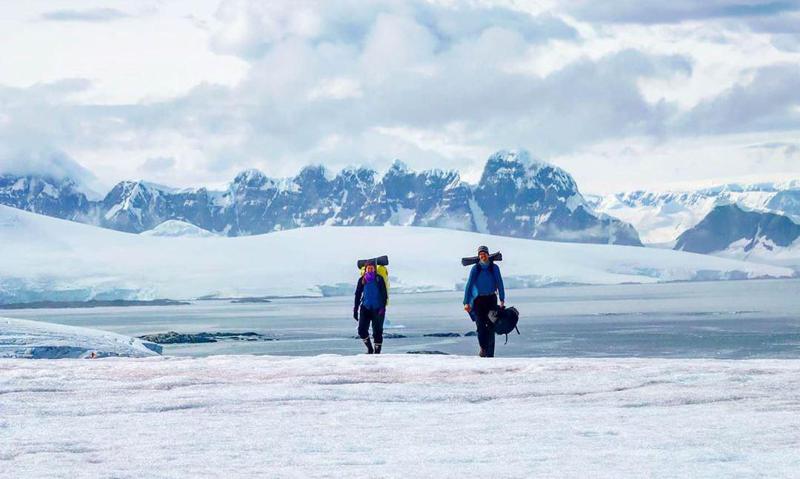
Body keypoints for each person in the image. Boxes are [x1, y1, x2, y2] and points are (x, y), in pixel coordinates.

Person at [463, 245, 505, 357]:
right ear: (479, 256)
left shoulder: (494, 268)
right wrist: (466, 302)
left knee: (491, 326)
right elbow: (469, 284)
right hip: (478, 301)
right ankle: (483, 348)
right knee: (480, 326)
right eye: (480, 254)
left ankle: (490, 354)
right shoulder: (476, 268)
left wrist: (502, 299)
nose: (482, 256)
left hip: (491, 299)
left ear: (488, 255)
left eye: (484, 254)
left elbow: (500, 283)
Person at [353, 262, 388, 354]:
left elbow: (384, 294)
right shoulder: (362, 280)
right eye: (368, 268)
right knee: (361, 330)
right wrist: (355, 309)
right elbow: (357, 294)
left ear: (375, 269)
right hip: (365, 308)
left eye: (372, 268)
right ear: (365, 269)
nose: (370, 270)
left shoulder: (379, 279)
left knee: (377, 332)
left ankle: (377, 353)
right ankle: (370, 349)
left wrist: (383, 307)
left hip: (378, 308)